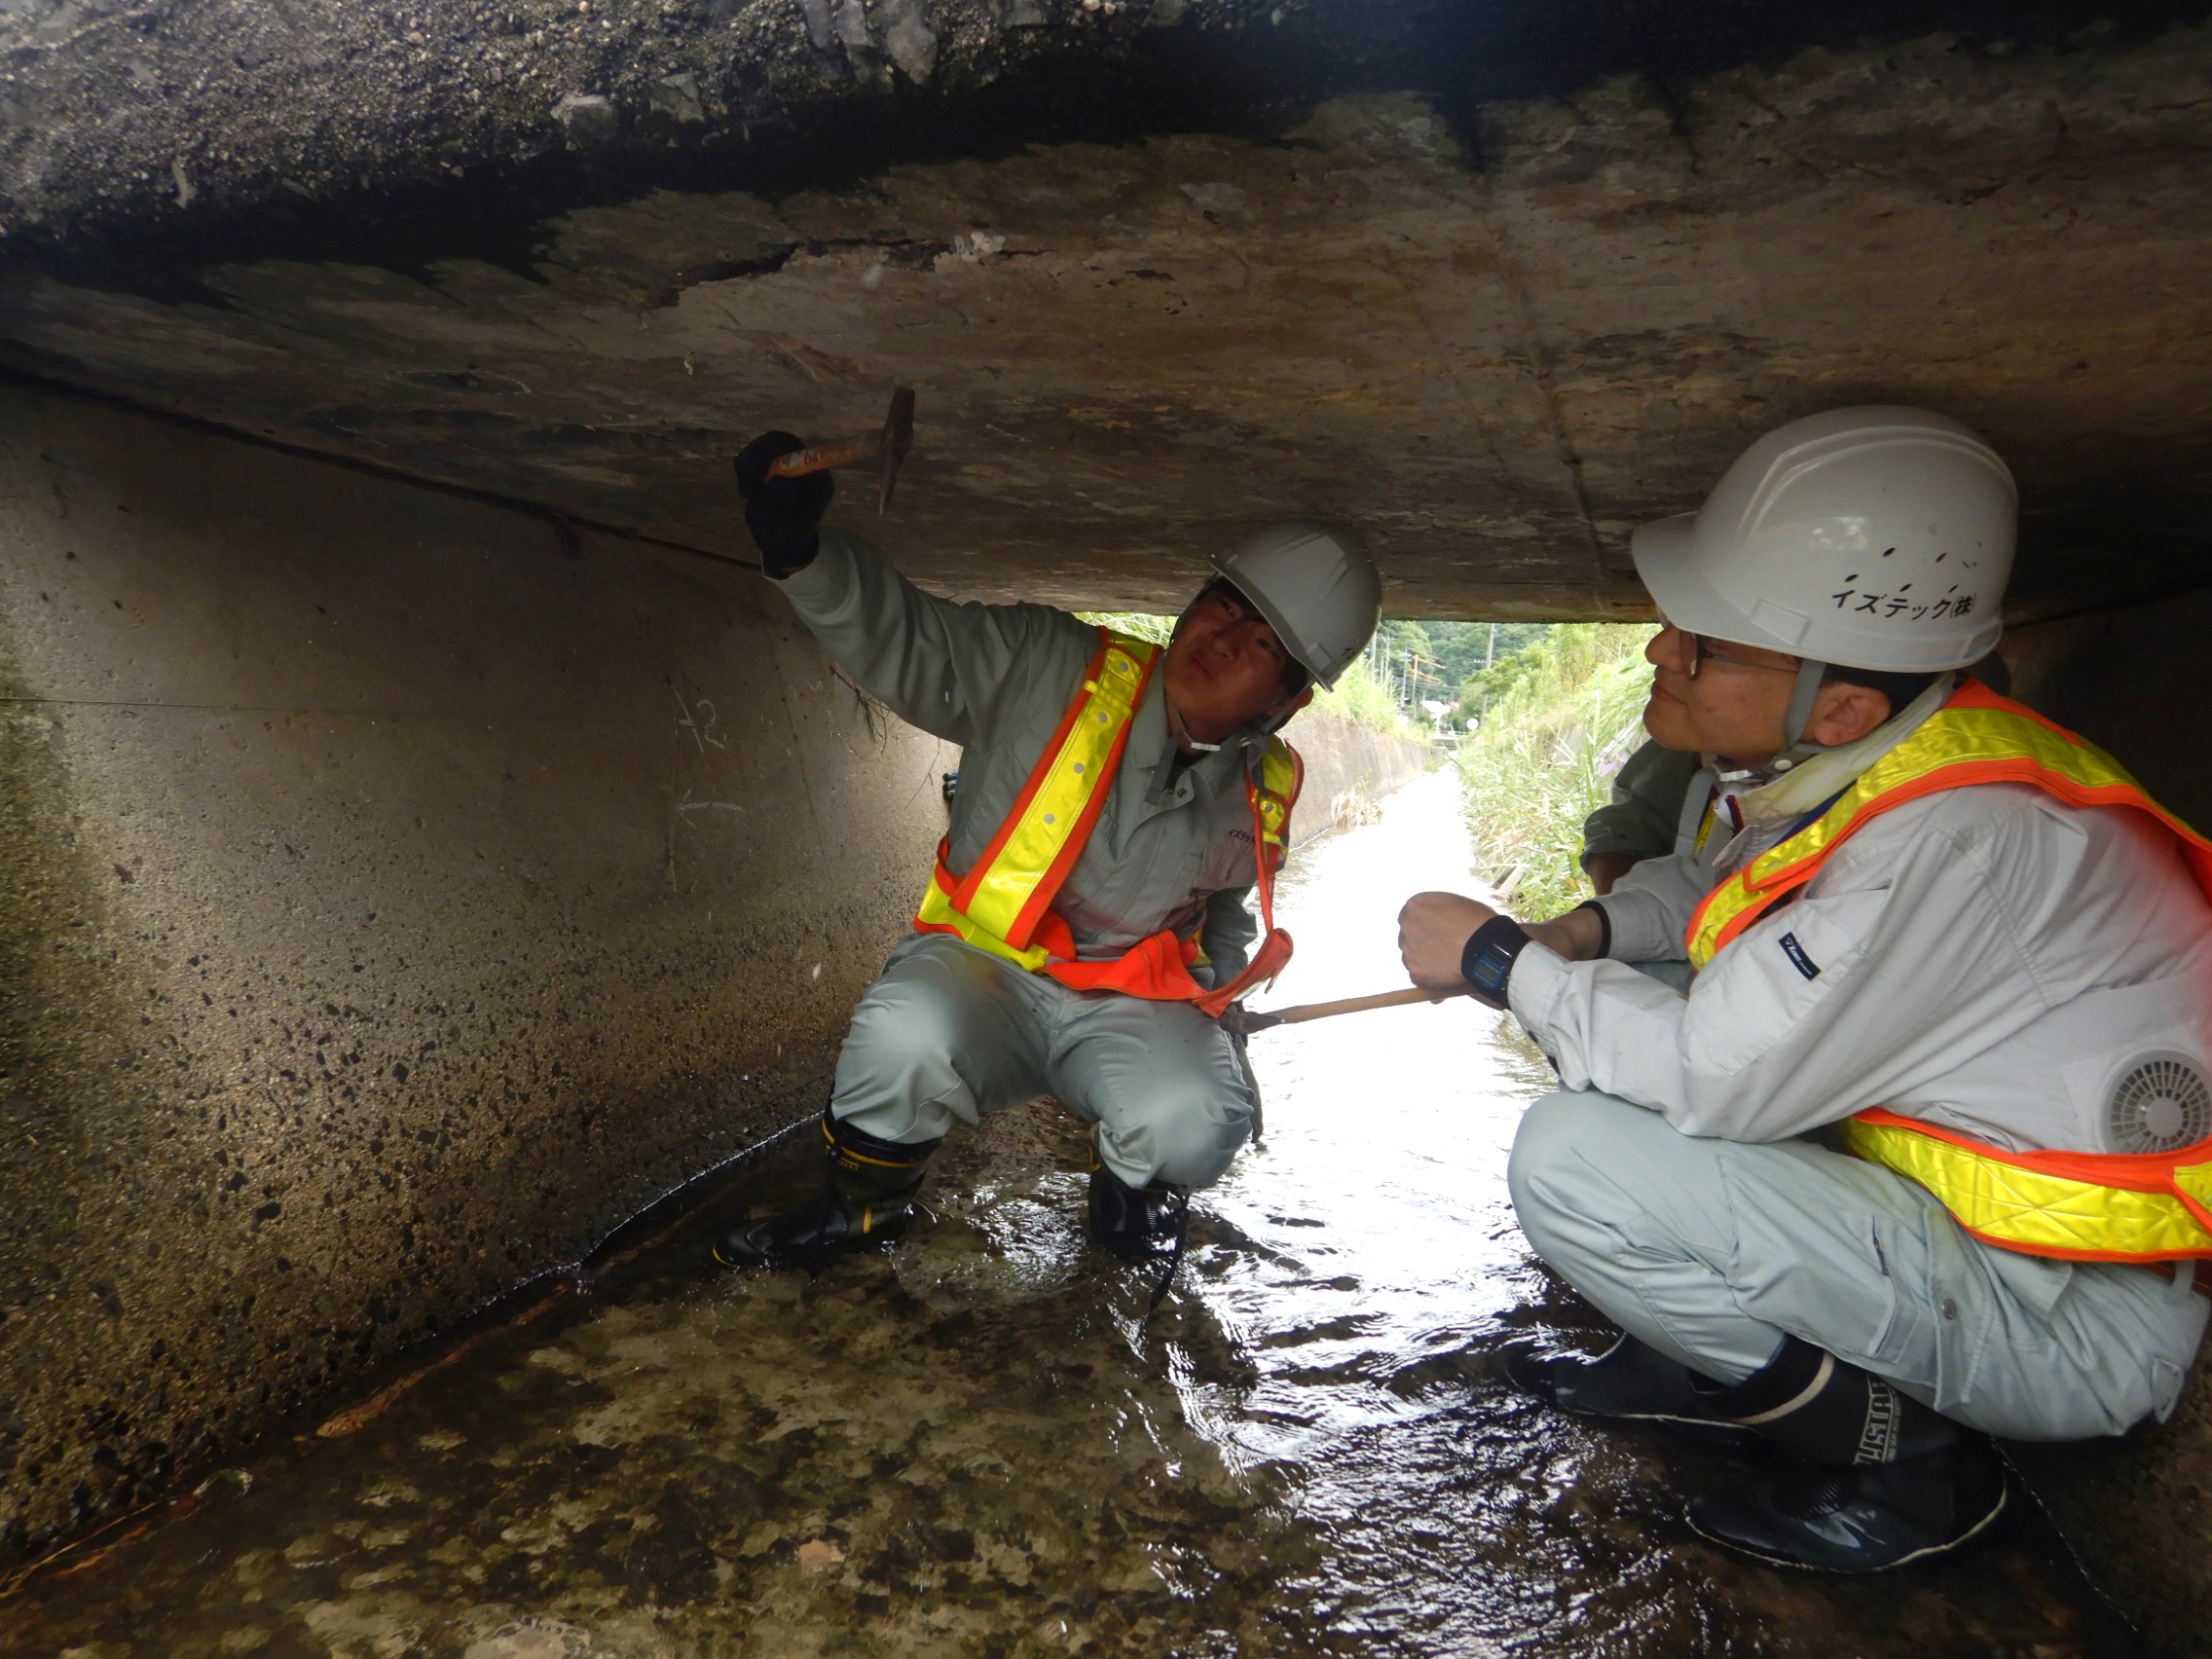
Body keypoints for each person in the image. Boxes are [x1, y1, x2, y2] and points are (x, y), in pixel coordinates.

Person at [1398, 406, 2212, 1573]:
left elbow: (1708, 1078)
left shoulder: (1960, 842)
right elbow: (1713, 891)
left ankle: (1909, 1467)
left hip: (2071, 1317)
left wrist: (1499, 964)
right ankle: (1695, 1353)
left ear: (1839, 707)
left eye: (1707, 644)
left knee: (1571, 1160)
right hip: (1984, 1241)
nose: (1659, 653)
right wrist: (1577, 932)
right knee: (1617, 993)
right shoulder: (1890, 763)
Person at [715, 429, 1382, 1275]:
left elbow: (1223, 920)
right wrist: (799, 550)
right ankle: (859, 1211)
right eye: (1225, 605)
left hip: (1123, 1014)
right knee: (902, 1038)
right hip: (979, 974)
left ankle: (1125, 1200)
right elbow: (911, 640)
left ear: (1285, 704)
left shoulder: (1266, 785)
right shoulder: (1053, 665)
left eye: (1260, 645)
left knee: (1199, 1115)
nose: (1223, 638)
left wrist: (1217, 1013)